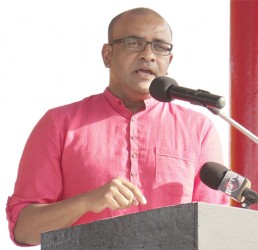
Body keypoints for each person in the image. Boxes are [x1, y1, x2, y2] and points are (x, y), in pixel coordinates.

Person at [6, 7, 229, 246]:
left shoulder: (198, 129)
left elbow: (214, 229)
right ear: (107, 55)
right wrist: (87, 202)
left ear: (169, 61)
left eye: (160, 47)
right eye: (134, 43)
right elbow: (23, 231)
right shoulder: (59, 123)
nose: (148, 55)